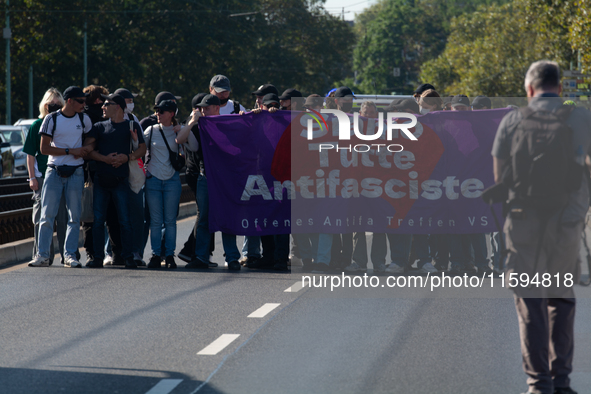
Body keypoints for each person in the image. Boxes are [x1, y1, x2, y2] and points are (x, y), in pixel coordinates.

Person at [492, 60, 591, 394]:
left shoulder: (511, 120)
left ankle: (538, 384)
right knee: (561, 300)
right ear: (560, 88)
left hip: (523, 221)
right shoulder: (581, 116)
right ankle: (562, 381)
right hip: (567, 221)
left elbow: (499, 176)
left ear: (529, 89)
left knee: (529, 301)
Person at [28, 86, 93, 267]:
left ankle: (70, 255)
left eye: (85, 101)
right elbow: (44, 148)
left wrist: (87, 148)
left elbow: (91, 138)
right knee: (47, 214)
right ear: (70, 101)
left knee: (74, 216)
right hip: (54, 171)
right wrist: (70, 150)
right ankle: (42, 255)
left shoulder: (84, 118)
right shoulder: (51, 119)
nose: (84, 104)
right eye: (80, 101)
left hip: (76, 172)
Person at [176, 94, 242, 271]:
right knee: (204, 218)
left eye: (206, 108)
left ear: (216, 108)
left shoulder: (228, 123)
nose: (203, 111)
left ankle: (232, 257)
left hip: (225, 178)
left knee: (227, 217)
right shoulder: (198, 126)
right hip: (205, 177)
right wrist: (191, 122)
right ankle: (201, 257)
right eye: (201, 108)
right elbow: (179, 139)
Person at [83, 94, 146, 269]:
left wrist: (127, 157)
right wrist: (104, 159)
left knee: (125, 220)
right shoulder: (98, 127)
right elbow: (88, 150)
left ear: (117, 106)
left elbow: (142, 148)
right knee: (98, 221)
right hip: (101, 180)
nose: (102, 107)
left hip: (121, 181)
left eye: (106, 104)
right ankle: (97, 257)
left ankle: (128, 257)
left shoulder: (131, 126)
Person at [23, 88, 68, 265]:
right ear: (44, 105)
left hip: (62, 173)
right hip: (42, 176)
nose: (54, 107)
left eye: (58, 105)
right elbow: (30, 154)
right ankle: (43, 255)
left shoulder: (65, 124)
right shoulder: (37, 125)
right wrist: (32, 177)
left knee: (63, 218)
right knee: (41, 217)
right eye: (51, 104)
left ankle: (67, 255)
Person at [142, 99, 183, 269]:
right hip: (153, 180)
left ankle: (170, 255)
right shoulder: (150, 130)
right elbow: (138, 149)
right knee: (156, 221)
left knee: (170, 221)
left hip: (172, 180)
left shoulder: (178, 132)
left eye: (162, 111)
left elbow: (192, 147)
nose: (157, 114)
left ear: (171, 114)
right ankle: (155, 255)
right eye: (157, 111)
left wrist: (184, 130)